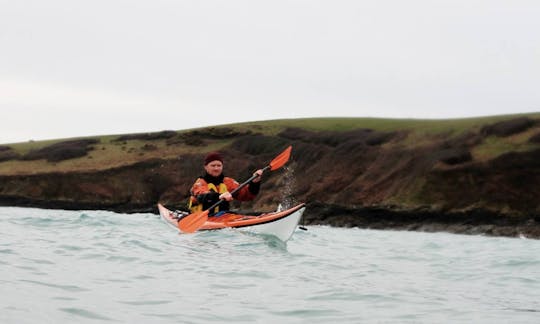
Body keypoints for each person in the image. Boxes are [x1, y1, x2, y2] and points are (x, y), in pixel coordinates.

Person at [188, 152, 263, 215]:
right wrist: (219, 196)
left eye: (219, 165)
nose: (216, 168)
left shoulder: (228, 182)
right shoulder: (200, 183)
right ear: (206, 167)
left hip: (223, 217)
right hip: (203, 218)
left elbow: (247, 195)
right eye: (213, 166)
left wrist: (255, 182)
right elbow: (202, 195)